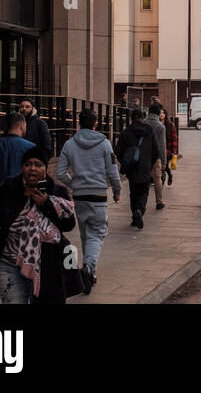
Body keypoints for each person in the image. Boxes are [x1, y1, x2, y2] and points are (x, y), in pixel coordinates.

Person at [0, 147, 81, 304]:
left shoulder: (57, 192)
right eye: (27, 164)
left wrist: (46, 204)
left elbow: (69, 225)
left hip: (45, 266)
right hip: (9, 264)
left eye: (38, 164)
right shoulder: (10, 187)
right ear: (22, 167)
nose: (32, 168)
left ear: (45, 169)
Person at [55, 108, 121, 294]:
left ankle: (90, 277)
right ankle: (88, 268)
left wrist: (74, 183)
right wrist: (117, 190)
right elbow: (112, 171)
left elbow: (60, 173)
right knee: (97, 234)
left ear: (78, 123)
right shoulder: (105, 144)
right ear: (95, 124)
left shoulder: (69, 144)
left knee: (86, 234)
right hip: (98, 196)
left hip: (79, 196)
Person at [115, 108, 158, 229]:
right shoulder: (150, 131)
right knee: (144, 192)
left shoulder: (126, 132)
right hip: (145, 167)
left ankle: (135, 213)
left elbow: (118, 150)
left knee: (133, 193)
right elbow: (156, 150)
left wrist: (125, 162)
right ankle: (140, 210)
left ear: (131, 118)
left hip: (132, 168)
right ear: (142, 117)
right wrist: (150, 164)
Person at [144, 103, 167, 210]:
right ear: (158, 114)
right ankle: (159, 202)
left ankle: (142, 201)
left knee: (144, 179)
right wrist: (164, 162)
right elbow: (162, 145)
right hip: (155, 156)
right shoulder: (160, 127)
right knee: (157, 179)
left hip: (143, 156)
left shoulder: (143, 123)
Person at [163, 107, 180, 185]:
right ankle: (164, 177)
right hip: (160, 149)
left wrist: (173, 151)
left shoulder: (170, 125)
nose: (161, 115)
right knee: (162, 166)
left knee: (165, 165)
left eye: (163, 113)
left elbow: (174, 139)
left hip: (168, 150)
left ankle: (169, 175)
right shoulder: (157, 124)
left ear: (166, 115)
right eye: (160, 113)